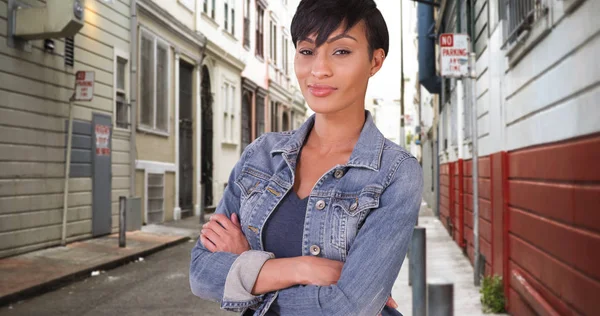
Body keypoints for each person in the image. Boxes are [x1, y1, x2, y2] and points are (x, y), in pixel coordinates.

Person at [190, 0, 423, 315]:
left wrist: (247, 272)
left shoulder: (395, 172)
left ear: (375, 61)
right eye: (307, 51)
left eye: (341, 51)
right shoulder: (261, 155)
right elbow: (202, 271)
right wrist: (302, 268)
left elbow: (348, 307)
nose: (319, 69)